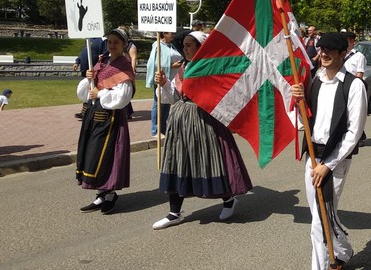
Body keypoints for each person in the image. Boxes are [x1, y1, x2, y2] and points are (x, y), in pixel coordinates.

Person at [151, 31, 253, 229]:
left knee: (210, 160)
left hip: (204, 120)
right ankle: (174, 212)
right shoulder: (183, 68)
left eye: (190, 45)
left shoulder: (211, 68)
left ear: (200, 47)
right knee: (177, 161)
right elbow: (174, 96)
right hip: (180, 120)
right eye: (185, 45)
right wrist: (164, 83)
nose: (185, 48)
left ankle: (228, 199)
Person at [290, 32, 368, 270]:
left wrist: (328, 164)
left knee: (318, 221)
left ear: (343, 54)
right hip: (312, 155)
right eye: (321, 50)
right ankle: (343, 249)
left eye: (330, 51)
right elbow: (303, 122)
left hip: (335, 159)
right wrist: (298, 102)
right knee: (320, 213)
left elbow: (353, 134)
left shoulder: (354, 86)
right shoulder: (314, 81)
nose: (323, 54)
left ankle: (320, 266)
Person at [76, 28, 135, 214]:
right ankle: (101, 193)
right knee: (93, 153)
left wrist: (100, 93)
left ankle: (109, 194)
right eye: (109, 41)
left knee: (107, 154)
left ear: (124, 44)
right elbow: (84, 93)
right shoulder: (102, 63)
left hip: (112, 118)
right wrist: (89, 79)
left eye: (116, 42)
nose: (112, 45)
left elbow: (123, 97)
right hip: (96, 114)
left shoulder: (124, 66)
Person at [145, 32, 183, 137]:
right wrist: (171, 66)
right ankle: (155, 130)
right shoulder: (157, 45)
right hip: (161, 78)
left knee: (166, 105)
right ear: (164, 34)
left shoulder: (173, 46)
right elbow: (154, 62)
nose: (174, 34)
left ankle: (163, 128)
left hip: (171, 79)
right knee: (158, 104)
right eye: (171, 33)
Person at [343, 31, 368, 146]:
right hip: (341, 87)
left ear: (353, 42)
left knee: (354, 114)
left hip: (353, 88)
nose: (346, 43)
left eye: (348, 40)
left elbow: (360, 74)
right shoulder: (340, 54)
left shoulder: (359, 56)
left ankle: (360, 136)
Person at [73, 36, 108, 119]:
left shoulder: (102, 40)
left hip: (95, 70)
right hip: (86, 69)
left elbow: (106, 53)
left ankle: (91, 111)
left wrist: (102, 57)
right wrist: (77, 62)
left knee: (93, 90)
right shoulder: (88, 39)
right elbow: (83, 52)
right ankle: (86, 111)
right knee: (87, 90)